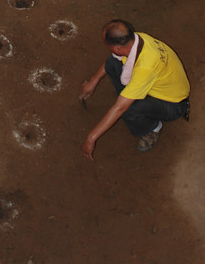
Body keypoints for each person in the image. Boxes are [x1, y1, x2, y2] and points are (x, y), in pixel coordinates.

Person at [80, 19, 190, 159]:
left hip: (174, 104)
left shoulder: (145, 67)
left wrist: (91, 138)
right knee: (113, 63)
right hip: (158, 85)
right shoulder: (136, 39)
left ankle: (152, 128)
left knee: (128, 109)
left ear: (118, 48)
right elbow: (113, 58)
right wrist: (93, 81)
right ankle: (129, 95)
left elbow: (120, 108)